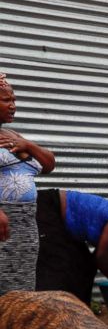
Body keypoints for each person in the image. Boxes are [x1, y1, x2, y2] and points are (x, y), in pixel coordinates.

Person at [0, 74, 56, 294]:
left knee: (20, 289)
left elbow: (49, 164)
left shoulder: (12, 135)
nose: (13, 105)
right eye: (6, 100)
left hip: (25, 225)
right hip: (4, 220)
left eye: (14, 100)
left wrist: (28, 145)